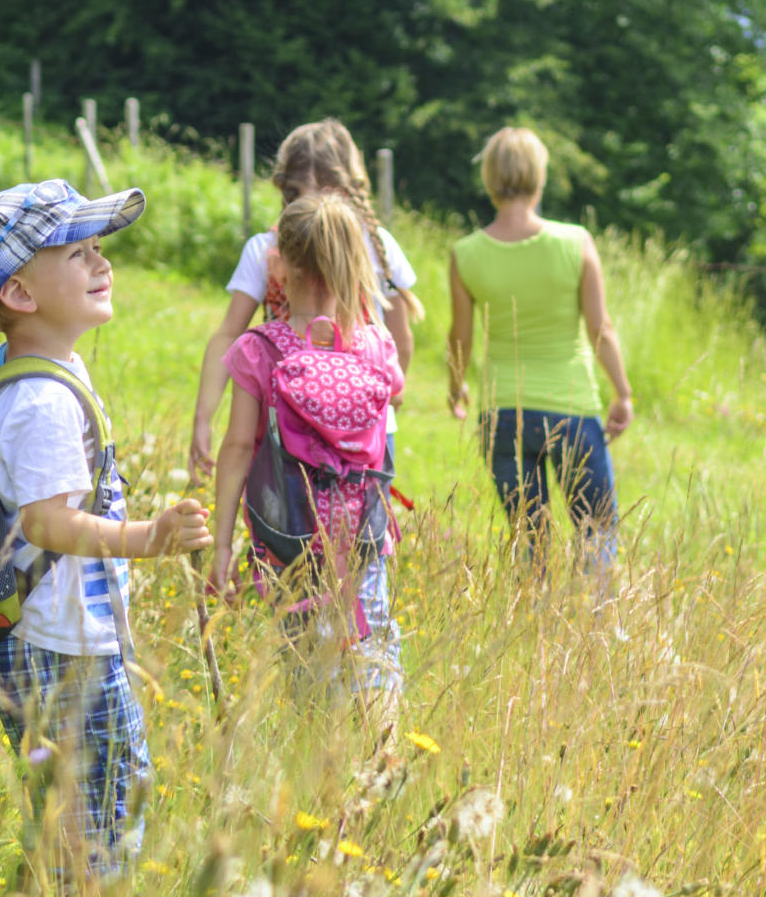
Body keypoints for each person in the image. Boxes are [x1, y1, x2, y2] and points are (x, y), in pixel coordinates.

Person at [0, 179, 213, 879]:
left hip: (56, 637)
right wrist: (147, 539)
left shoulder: (49, 367)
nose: (103, 264)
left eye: (99, 248)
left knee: (81, 819)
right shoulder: (40, 397)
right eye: (79, 253)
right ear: (20, 294)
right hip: (57, 647)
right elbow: (44, 522)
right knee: (101, 825)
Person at [208, 193, 406, 730]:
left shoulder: (259, 350)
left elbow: (234, 450)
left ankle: (320, 781)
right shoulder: (376, 345)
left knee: (307, 674)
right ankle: (382, 763)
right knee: (374, 651)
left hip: (287, 544)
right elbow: (396, 398)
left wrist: (223, 543)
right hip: (362, 539)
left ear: (283, 264)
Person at [446, 127, 632, 596]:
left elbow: (460, 337)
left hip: (502, 414)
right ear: (540, 176)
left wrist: (456, 386)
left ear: (489, 178)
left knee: (529, 540)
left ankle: (535, 633)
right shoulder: (576, 242)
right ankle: (597, 635)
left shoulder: (466, 253)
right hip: (571, 408)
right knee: (596, 532)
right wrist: (622, 393)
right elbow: (600, 329)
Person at [188, 119, 420, 482]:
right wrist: (386, 396)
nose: (313, 205)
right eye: (301, 195)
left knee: (287, 526)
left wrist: (205, 416)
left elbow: (227, 335)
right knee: (362, 530)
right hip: (355, 429)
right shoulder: (376, 246)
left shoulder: (268, 249)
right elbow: (400, 342)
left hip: (289, 426)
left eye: (322, 193)